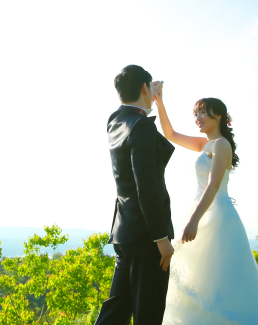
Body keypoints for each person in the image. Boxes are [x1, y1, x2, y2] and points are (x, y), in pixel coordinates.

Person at [153, 82, 258, 324]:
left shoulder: (222, 144)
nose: (197, 118)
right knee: (198, 281)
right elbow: (170, 134)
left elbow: (212, 185)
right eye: (195, 114)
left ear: (218, 115)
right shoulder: (205, 145)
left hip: (217, 217)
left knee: (219, 281)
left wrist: (193, 220)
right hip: (200, 211)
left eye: (202, 112)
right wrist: (160, 102)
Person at [95, 65, 176, 325]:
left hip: (124, 232)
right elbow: (147, 185)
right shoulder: (141, 125)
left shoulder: (114, 120)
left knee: (116, 311)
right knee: (148, 314)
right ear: (144, 88)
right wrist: (160, 237)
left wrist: (152, 96)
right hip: (147, 237)